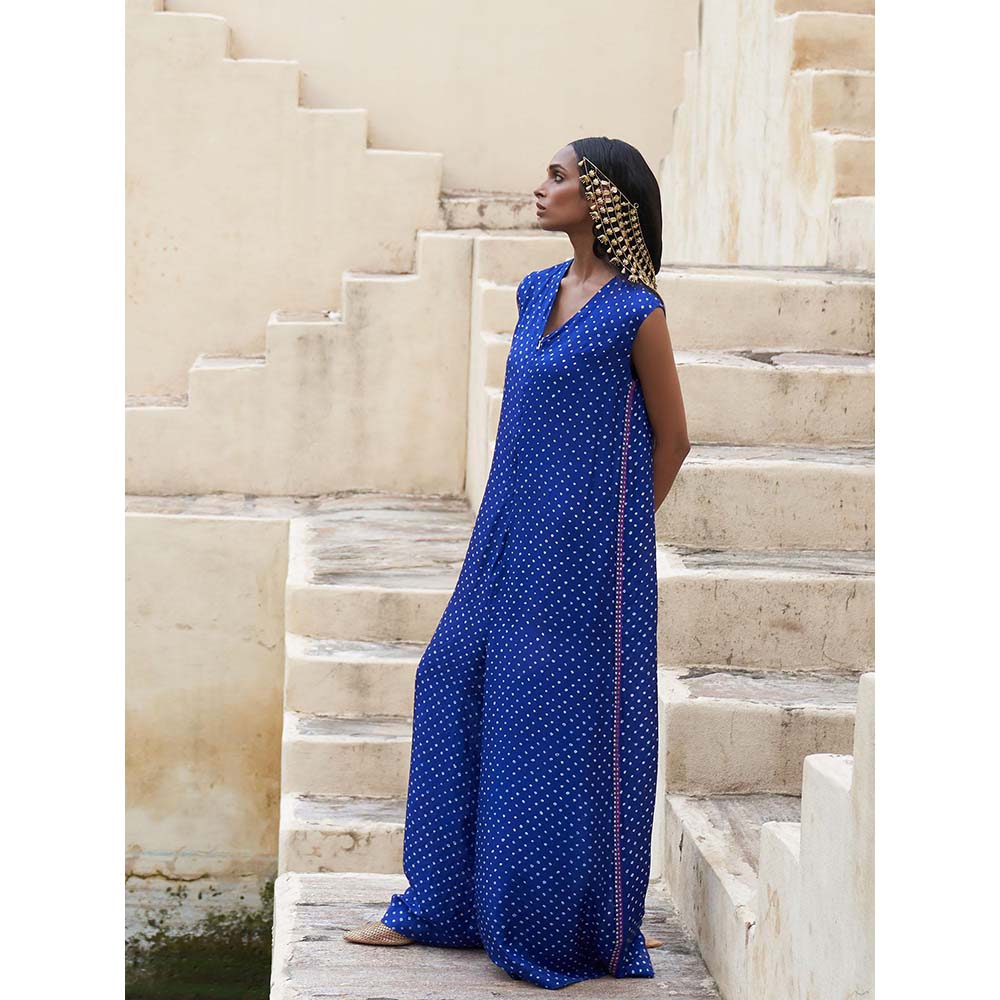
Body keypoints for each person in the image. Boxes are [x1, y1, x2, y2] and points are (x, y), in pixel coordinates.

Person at [344, 137, 691, 990]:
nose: (541, 188)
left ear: (603, 197)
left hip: (585, 559)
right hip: (503, 539)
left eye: (559, 177)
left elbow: (674, 439)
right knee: (450, 679)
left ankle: (541, 921)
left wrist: (611, 535)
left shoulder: (637, 312)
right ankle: (441, 903)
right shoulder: (536, 291)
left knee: (549, 726)